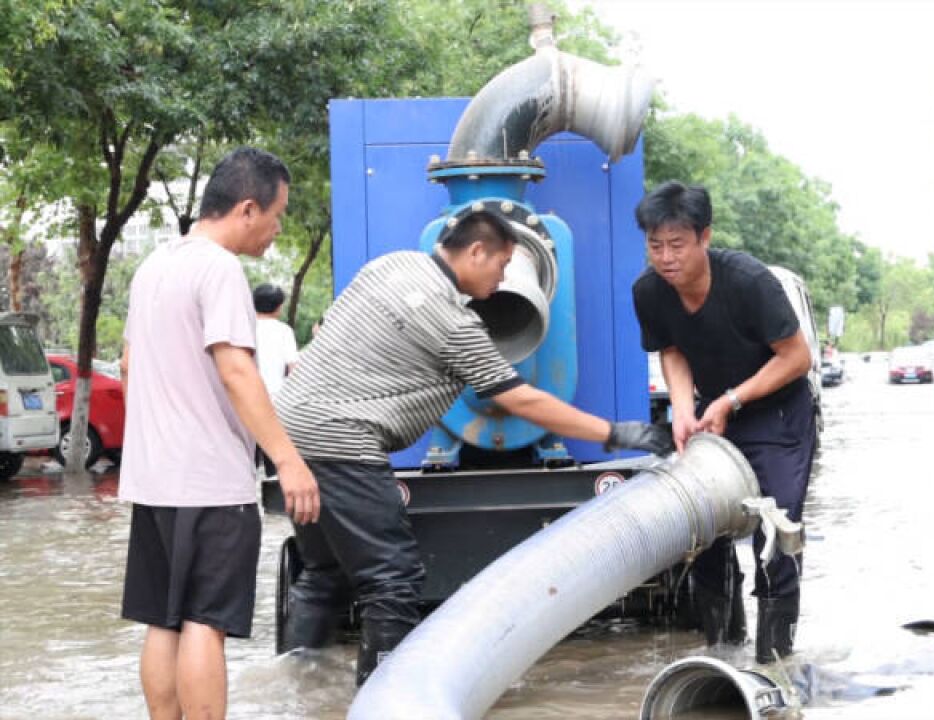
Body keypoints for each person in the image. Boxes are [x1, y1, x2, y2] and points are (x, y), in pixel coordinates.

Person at [275, 204, 673, 685]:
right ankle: (384, 703)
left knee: (324, 573)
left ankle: (295, 689)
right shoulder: (451, 322)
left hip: (292, 432)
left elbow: (328, 334)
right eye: (504, 266)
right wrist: (612, 433)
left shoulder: (388, 264)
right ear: (477, 250)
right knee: (394, 580)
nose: (504, 280)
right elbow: (520, 399)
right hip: (341, 444)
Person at [118, 147, 321, 720]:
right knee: (206, 620)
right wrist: (288, 459)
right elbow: (236, 370)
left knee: (163, 618)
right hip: (209, 481)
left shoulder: (153, 266)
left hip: (154, 477)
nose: (277, 231)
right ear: (248, 208)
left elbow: (130, 365)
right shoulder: (220, 268)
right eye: (277, 216)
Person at [629, 181, 818, 665]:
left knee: (774, 533)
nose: (666, 258)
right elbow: (670, 348)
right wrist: (683, 408)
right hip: (714, 416)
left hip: (777, 411)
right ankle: (722, 657)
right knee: (704, 531)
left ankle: (775, 662)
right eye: (655, 245)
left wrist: (732, 398)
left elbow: (797, 357)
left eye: (677, 244)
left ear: (704, 238)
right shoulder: (649, 292)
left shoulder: (748, 281)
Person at [252, 283, 299, 399]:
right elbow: (294, 367)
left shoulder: (245, 328)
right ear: (279, 307)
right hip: (276, 395)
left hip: (248, 395)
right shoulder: (285, 331)